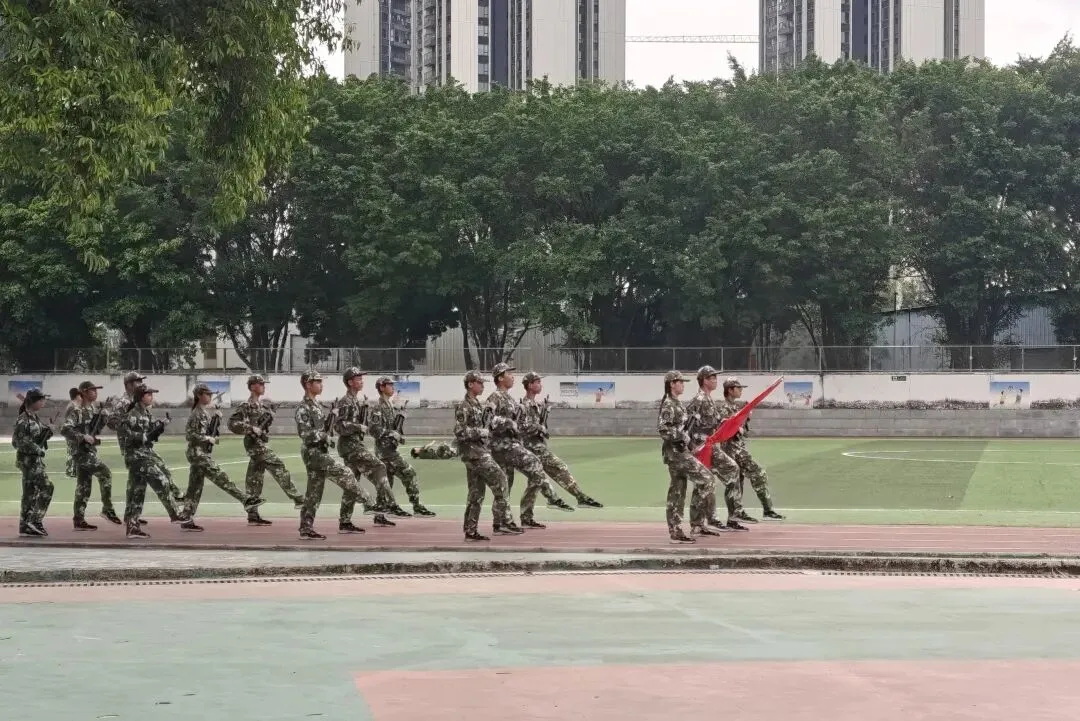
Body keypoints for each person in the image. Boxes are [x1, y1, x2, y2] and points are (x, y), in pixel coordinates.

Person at [294, 370, 384, 540]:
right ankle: (369, 503)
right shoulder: (303, 408)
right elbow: (305, 434)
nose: (321, 384)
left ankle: (306, 527)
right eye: (317, 381)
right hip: (313, 453)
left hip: (320, 451)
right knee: (345, 473)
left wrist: (329, 424)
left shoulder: (317, 406)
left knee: (314, 492)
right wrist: (324, 436)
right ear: (308, 384)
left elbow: (323, 429)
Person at [485, 362, 574, 529]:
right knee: (532, 465)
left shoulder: (509, 399)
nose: (513, 377)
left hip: (510, 445)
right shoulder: (495, 397)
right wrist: (509, 422)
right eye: (509, 374)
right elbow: (489, 420)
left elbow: (518, 424)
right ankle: (550, 498)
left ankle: (501, 522)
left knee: (505, 485)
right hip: (501, 446)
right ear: (500, 378)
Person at [182, 384, 265, 531]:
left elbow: (208, 430)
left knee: (195, 488)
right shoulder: (196, 413)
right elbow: (190, 435)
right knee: (221, 477)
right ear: (199, 395)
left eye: (210, 394)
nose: (210, 396)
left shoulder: (204, 413)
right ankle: (245, 500)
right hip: (198, 454)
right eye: (207, 394)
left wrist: (216, 419)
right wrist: (206, 438)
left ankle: (186, 517)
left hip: (201, 453)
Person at [227, 374, 305, 526]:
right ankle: (298, 498)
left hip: (260, 443)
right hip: (254, 445)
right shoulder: (245, 406)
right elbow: (232, 424)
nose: (263, 386)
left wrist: (269, 417)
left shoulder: (262, 406)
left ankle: (252, 514)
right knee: (278, 465)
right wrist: (251, 428)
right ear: (252, 387)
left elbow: (264, 426)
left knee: (254, 479)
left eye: (264, 384)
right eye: (261, 384)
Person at [518, 371, 603, 509]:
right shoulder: (525, 405)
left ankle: (528, 515)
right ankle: (580, 497)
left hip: (538, 445)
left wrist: (543, 424)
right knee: (559, 467)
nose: (540, 385)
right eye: (537, 382)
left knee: (535, 481)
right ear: (529, 385)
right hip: (532, 447)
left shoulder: (536, 404)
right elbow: (522, 427)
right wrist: (539, 427)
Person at [333, 367, 403, 533]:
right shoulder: (345, 401)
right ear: (350, 382)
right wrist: (358, 427)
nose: (361, 381)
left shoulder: (355, 401)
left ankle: (345, 522)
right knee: (379, 466)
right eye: (358, 379)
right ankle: (385, 505)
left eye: (361, 378)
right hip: (351, 446)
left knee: (352, 484)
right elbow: (339, 426)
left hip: (354, 445)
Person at [455, 370, 521, 540]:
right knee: (501, 480)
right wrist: (481, 432)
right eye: (479, 383)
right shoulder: (464, 406)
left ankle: (471, 531)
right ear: (470, 384)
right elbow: (460, 431)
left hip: (479, 452)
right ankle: (504, 521)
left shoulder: (478, 404)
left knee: (476, 494)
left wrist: (487, 430)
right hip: (475, 454)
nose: (482, 386)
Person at [117, 384, 189, 538]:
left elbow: (150, 431)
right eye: (148, 394)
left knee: (138, 492)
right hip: (136, 457)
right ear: (140, 396)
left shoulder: (145, 413)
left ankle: (132, 527)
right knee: (161, 479)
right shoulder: (132, 414)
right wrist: (141, 437)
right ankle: (175, 514)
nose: (151, 397)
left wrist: (160, 425)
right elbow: (125, 434)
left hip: (144, 455)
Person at [685, 366, 748, 533]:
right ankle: (699, 523)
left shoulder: (709, 399)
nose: (715, 380)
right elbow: (687, 425)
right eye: (712, 377)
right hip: (700, 447)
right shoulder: (698, 400)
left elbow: (718, 422)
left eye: (715, 377)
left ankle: (730, 517)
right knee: (704, 482)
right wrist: (692, 447)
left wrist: (733, 421)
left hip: (710, 446)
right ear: (704, 380)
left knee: (731, 469)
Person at [657, 371, 716, 544]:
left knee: (678, 492)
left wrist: (690, 444)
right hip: (676, 454)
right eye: (680, 382)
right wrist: (682, 437)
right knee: (707, 479)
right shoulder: (669, 404)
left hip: (680, 452)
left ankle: (677, 531)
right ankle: (695, 521)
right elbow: (663, 429)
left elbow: (682, 430)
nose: (683, 384)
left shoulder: (677, 403)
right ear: (672, 384)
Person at [367, 376, 435, 516]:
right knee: (409, 473)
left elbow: (393, 429)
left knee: (386, 483)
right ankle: (416, 506)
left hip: (388, 450)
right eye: (390, 385)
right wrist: (391, 433)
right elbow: (373, 429)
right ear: (382, 387)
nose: (393, 387)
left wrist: (398, 434)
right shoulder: (378, 407)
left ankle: (381, 514)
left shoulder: (389, 406)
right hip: (385, 452)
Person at [719, 377, 785, 521]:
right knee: (758, 473)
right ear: (730, 390)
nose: (741, 390)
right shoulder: (724, 408)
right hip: (732, 449)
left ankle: (735, 516)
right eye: (738, 388)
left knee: (738, 481)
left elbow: (742, 430)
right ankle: (767, 510)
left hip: (738, 447)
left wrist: (746, 417)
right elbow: (726, 429)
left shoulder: (735, 407)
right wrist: (741, 422)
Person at [60, 381, 119, 529]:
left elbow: (95, 430)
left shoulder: (92, 409)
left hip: (89, 450)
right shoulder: (77, 410)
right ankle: (107, 509)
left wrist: (103, 417)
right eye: (92, 390)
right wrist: (82, 437)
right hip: (80, 451)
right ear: (84, 392)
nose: (96, 393)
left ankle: (78, 520)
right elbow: (65, 429)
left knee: (84, 486)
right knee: (105, 473)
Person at [13, 389, 55, 537]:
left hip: (34, 461)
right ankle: (35, 521)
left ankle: (25, 525)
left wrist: (48, 431)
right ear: (34, 401)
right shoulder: (23, 419)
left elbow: (39, 436)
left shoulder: (34, 417)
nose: (43, 402)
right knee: (47, 487)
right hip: (28, 461)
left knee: (30, 493)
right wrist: (37, 449)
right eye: (41, 400)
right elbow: (17, 442)